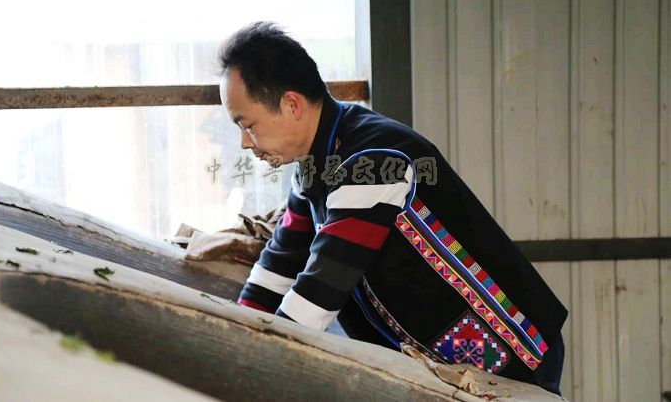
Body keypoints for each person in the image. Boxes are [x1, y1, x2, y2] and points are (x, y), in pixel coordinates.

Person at [218, 22, 567, 395]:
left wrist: (249, 369)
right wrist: (236, 342)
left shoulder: (373, 160)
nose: (244, 144)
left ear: (291, 104)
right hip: (443, 355)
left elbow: (321, 289)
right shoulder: (316, 165)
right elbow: (279, 263)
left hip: (505, 347)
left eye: (248, 125)